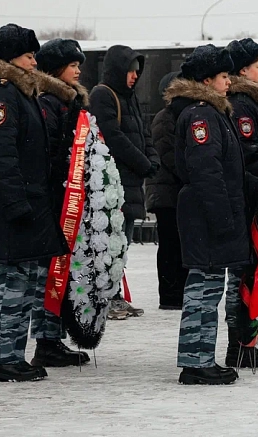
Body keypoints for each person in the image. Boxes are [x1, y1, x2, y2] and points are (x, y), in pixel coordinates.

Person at [0, 24, 69, 382]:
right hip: (13, 208)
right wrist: (15, 205)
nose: (35, 61)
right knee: (11, 284)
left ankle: (9, 354)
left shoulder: (19, 92)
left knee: (22, 283)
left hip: (28, 204)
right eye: (29, 55)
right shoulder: (2, 96)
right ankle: (2, 359)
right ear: (11, 58)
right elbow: (0, 157)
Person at [168, 44, 248, 385]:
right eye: (224, 76)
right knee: (202, 288)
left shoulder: (214, 113)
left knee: (208, 286)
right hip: (206, 214)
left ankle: (199, 358)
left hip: (209, 212)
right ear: (206, 80)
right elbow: (206, 171)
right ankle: (196, 362)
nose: (229, 82)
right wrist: (222, 218)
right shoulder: (202, 116)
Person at [30, 38, 92, 367]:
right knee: (50, 272)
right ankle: (46, 342)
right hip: (56, 200)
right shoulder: (49, 103)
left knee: (61, 272)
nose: (79, 70)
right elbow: (51, 154)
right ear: (57, 69)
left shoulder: (67, 101)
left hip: (68, 198)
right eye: (73, 65)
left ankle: (52, 338)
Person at [90, 45, 159, 319]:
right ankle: (103, 299)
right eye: (131, 70)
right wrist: (143, 163)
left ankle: (114, 295)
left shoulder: (129, 98)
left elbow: (144, 134)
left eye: (137, 72)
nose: (134, 76)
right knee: (109, 246)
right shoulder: (102, 95)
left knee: (122, 246)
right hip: (112, 186)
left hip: (129, 185)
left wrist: (152, 161)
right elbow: (114, 137)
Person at [225, 38, 258, 369]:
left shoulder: (256, 102)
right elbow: (249, 156)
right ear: (243, 70)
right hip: (250, 199)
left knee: (254, 275)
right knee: (242, 276)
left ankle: (250, 341)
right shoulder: (243, 105)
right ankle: (239, 346)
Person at [145, 71, 188, 310]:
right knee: (170, 244)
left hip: (173, 191)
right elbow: (168, 153)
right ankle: (170, 295)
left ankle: (177, 292)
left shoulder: (178, 115)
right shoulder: (165, 118)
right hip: (166, 193)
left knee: (177, 244)